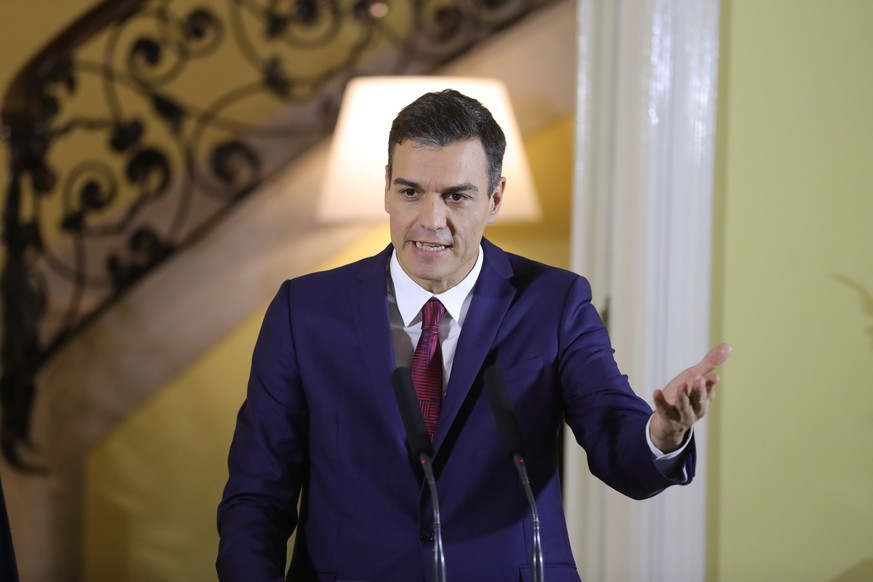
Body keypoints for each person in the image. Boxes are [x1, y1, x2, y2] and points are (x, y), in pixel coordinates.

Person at [216, 89, 731, 581]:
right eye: (411, 191)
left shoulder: (554, 302)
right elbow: (257, 496)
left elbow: (614, 437)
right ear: (387, 189)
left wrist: (662, 436)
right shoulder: (304, 311)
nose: (430, 220)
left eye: (456, 196)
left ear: (495, 198)